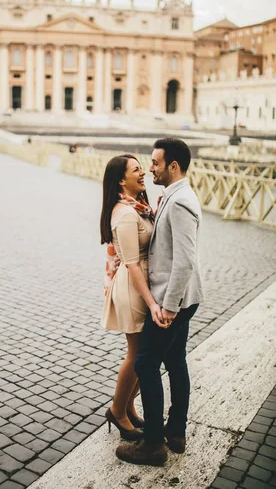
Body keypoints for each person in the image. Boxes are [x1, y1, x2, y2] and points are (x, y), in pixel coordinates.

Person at [116, 138, 204, 466]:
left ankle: (153, 443)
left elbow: (184, 260)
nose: (150, 167)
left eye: (154, 163)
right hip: (184, 296)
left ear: (173, 166)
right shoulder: (174, 194)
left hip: (175, 299)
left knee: (146, 363)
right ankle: (176, 431)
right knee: (176, 361)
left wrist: (168, 306)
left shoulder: (180, 201)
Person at [100, 154, 167, 442]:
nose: (143, 173)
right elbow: (130, 262)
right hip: (133, 287)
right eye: (136, 170)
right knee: (138, 355)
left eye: (142, 168)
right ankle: (117, 410)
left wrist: (159, 210)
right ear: (121, 180)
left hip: (140, 284)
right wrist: (152, 302)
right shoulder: (125, 213)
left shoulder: (138, 207)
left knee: (143, 355)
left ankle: (127, 406)